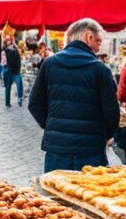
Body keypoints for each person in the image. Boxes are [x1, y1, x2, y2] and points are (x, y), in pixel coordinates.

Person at [28, 18, 119, 172]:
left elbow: (34, 103)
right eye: (98, 41)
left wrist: (52, 126)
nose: (98, 47)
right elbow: (112, 114)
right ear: (88, 37)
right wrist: (101, 136)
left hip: (58, 149)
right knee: (88, 194)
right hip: (90, 151)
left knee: (56, 193)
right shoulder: (101, 70)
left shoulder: (50, 64)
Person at [3, 37, 23, 108]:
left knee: (8, 87)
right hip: (14, 70)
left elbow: (5, 62)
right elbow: (18, 61)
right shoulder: (14, 49)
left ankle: (7, 102)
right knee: (19, 85)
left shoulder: (6, 50)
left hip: (10, 70)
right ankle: (19, 98)